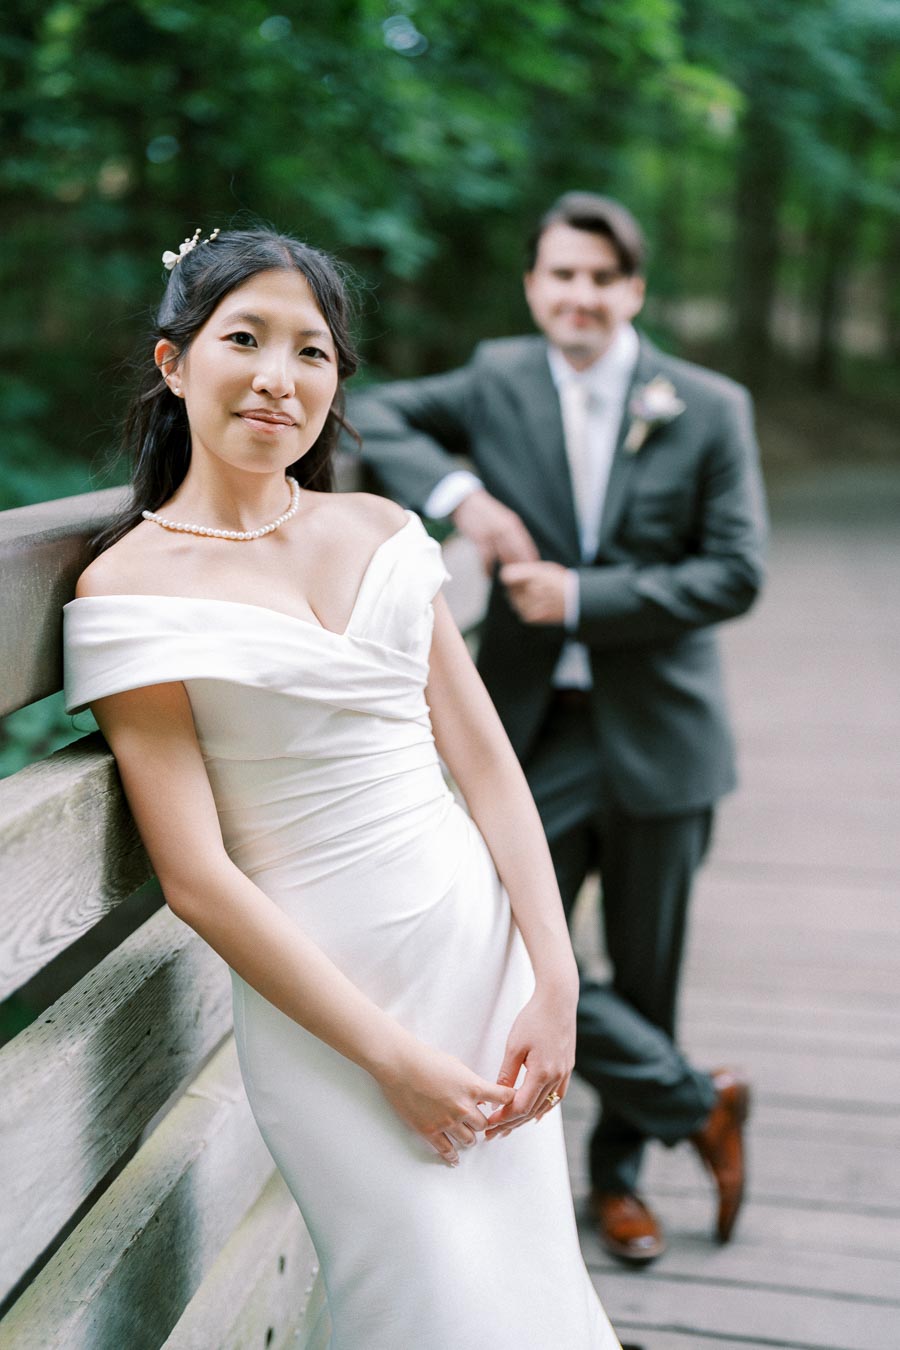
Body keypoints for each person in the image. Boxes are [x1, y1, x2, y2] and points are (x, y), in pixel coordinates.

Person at [63, 226, 622, 1348]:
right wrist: (391, 1058)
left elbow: (489, 769)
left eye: (311, 352)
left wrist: (553, 980)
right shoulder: (126, 588)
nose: (279, 377)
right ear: (175, 364)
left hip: (486, 973)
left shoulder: (378, 529)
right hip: (336, 1021)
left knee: (530, 1302)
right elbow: (198, 878)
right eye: (246, 339)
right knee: (421, 1305)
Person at [351, 192, 768, 1264]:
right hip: (531, 732)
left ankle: (620, 1185)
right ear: (535, 285)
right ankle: (695, 1101)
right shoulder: (496, 377)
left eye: (600, 278)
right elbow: (377, 412)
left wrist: (584, 599)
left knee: (649, 963)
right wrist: (464, 499)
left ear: (633, 290)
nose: (578, 296)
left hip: (663, 735)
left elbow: (736, 571)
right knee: (507, 945)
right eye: (560, 276)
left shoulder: (708, 404)